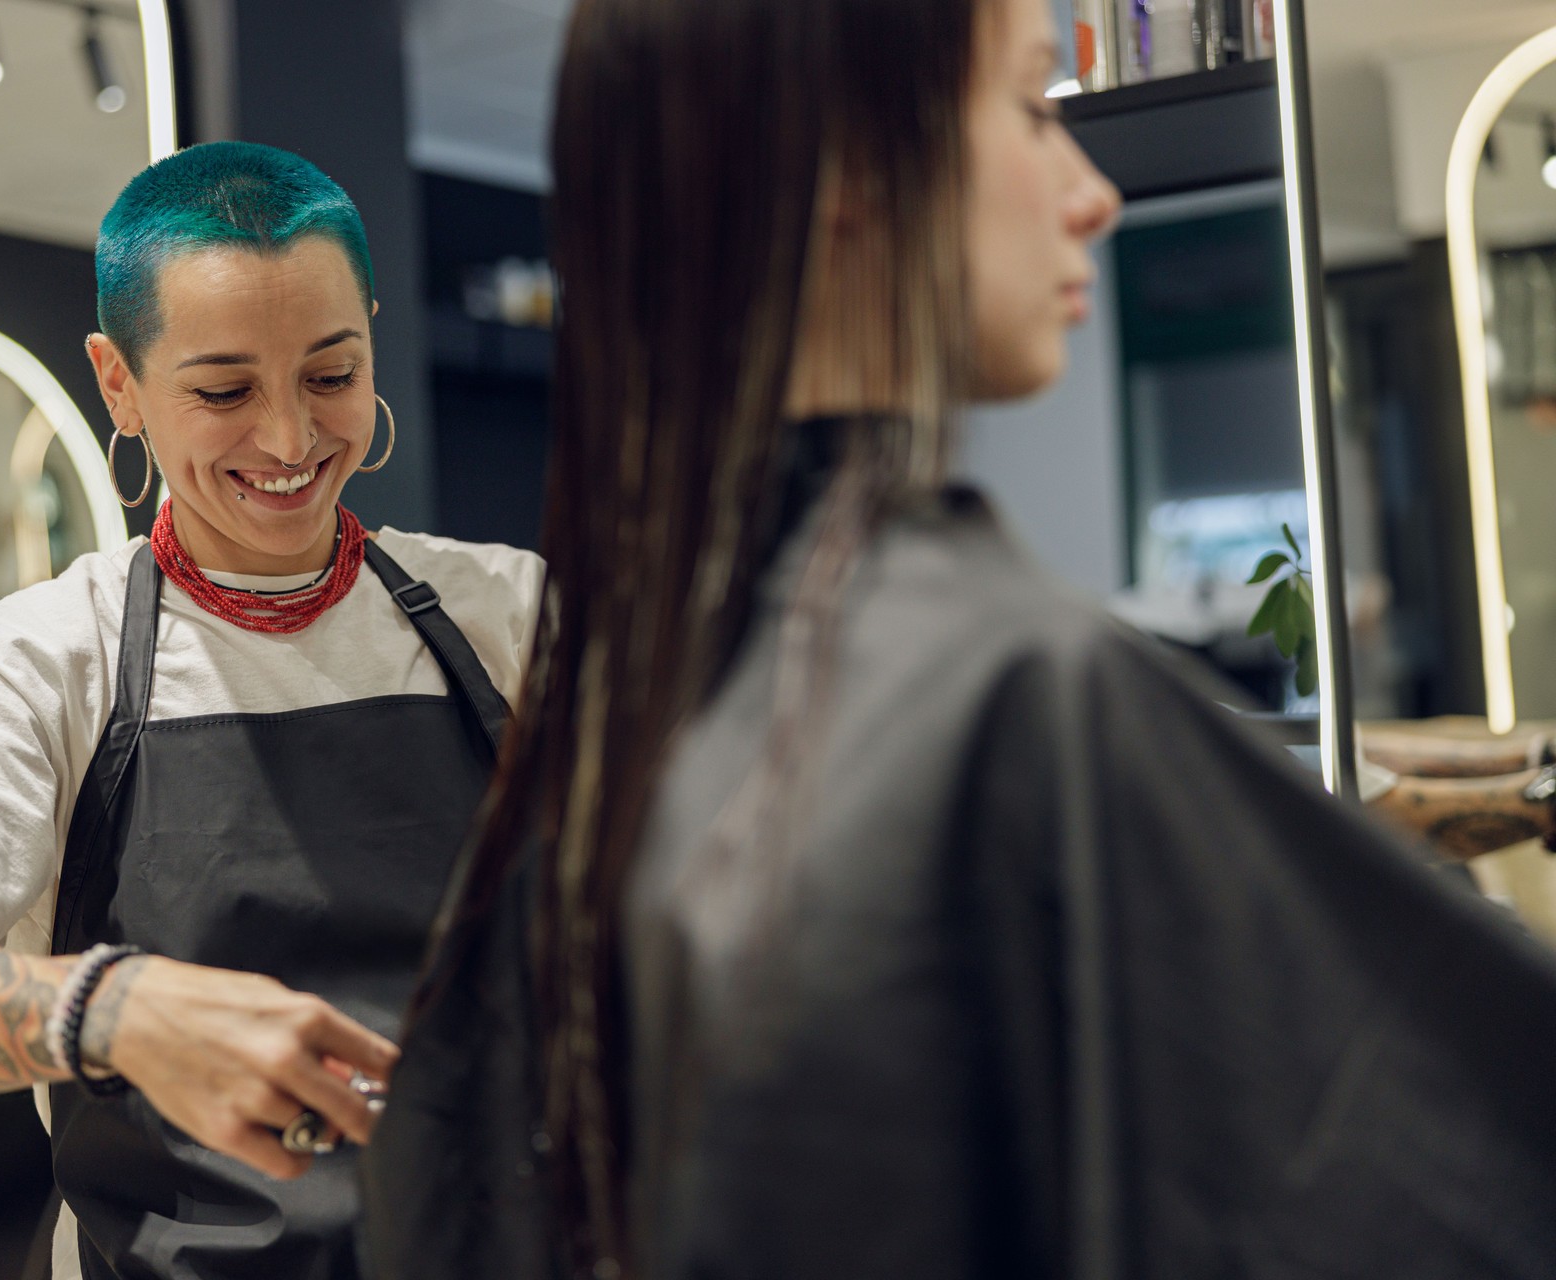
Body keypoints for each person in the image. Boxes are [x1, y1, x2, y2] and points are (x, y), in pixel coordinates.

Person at [361, 0, 1556, 1276]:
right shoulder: (1012, 690)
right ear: (848, 165)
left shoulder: (619, 716)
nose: (1091, 192)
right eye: (1035, 108)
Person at [0, 142, 543, 1279]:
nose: (291, 440)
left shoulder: (513, 615)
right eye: (223, 391)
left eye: (332, 373)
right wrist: (110, 1007)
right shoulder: (41, 663)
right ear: (118, 381)